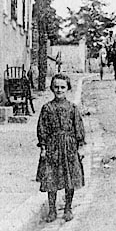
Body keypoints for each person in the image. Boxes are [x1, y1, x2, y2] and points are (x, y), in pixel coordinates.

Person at [36, 74, 85, 223]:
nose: (59, 90)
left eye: (62, 87)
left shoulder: (72, 108)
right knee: (51, 178)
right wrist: (43, 147)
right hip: (52, 147)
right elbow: (42, 128)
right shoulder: (47, 108)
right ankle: (52, 210)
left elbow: (79, 128)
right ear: (52, 88)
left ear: (68, 89)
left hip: (69, 147)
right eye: (56, 87)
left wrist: (80, 147)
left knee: (69, 178)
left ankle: (68, 208)